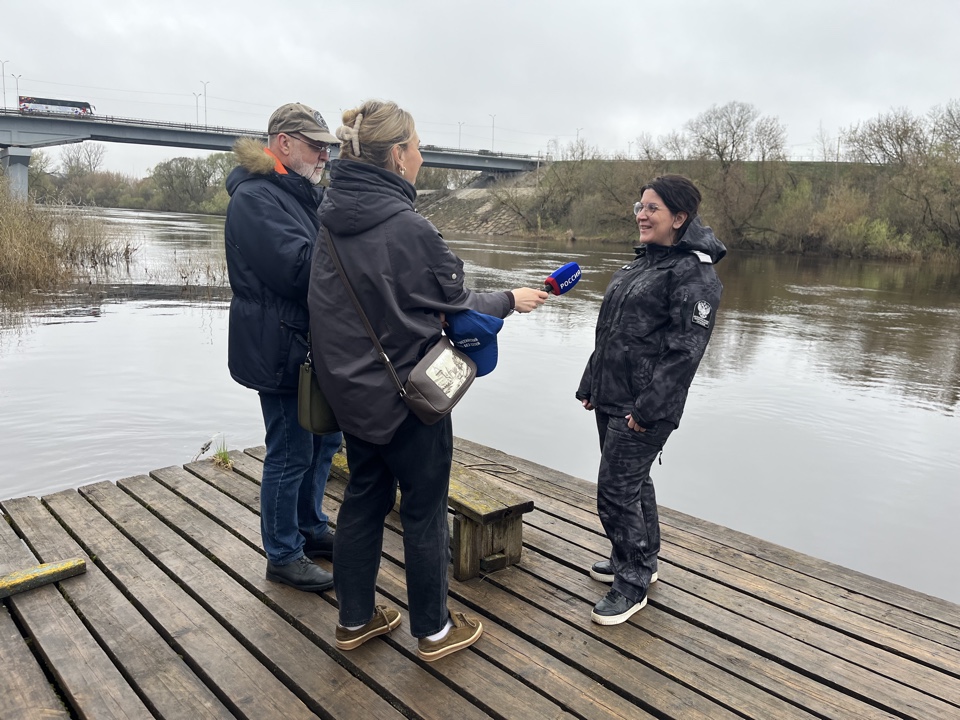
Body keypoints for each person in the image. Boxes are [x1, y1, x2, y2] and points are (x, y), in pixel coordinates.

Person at [307, 100, 547, 661]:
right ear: (397, 156)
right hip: (409, 398)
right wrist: (511, 299)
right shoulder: (407, 226)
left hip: (352, 397)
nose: (421, 155)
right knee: (423, 506)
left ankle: (355, 621)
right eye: (416, 145)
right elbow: (456, 302)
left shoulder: (328, 220)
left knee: (363, 499)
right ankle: (435, 631)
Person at [576, 174, 725, 625]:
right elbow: (612, 333)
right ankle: (642, 559)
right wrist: (591, 384)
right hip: (613, 396)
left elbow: (685, 354)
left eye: (652, 208)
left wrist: (648, 409)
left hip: (645, 406)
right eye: (639, 206)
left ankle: (633, 580)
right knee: (634, 484)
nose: (641, 214)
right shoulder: (644, 264)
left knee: (615, 493)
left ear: (679, 218)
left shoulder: (694, 275)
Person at [224, 103, 344, 592]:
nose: (323, 155)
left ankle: (310, 527)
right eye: (315, 145)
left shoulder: (299, 195)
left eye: (325, 147)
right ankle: (282, 552)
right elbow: (299, 271)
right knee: (291, 449)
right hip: (276, 345)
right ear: (283, 142)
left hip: (307, 345)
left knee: (322, 441)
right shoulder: (256, 199)